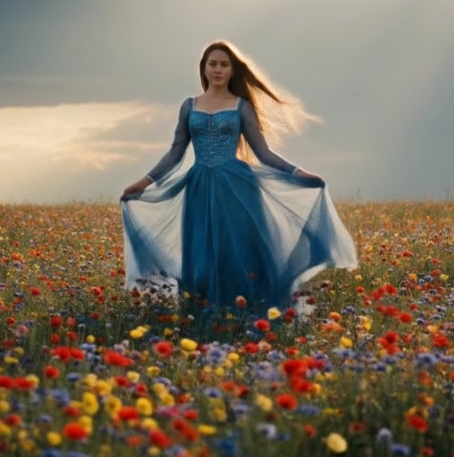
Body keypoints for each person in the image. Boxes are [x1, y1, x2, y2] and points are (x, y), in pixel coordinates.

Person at [120, 40, 358, 311]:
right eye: (213, 64)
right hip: (198, 188)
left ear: (233, 71)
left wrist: (298, 173)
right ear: (204, 68)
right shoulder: (189, 106)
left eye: (224, 64)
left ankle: (244, 311)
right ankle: (203, 313)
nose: (218, 69)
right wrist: (143, 182)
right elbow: (175, 153)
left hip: (237, 189)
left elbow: (264, 153)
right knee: (201, 252)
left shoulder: (240, 106)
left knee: (238, 252)